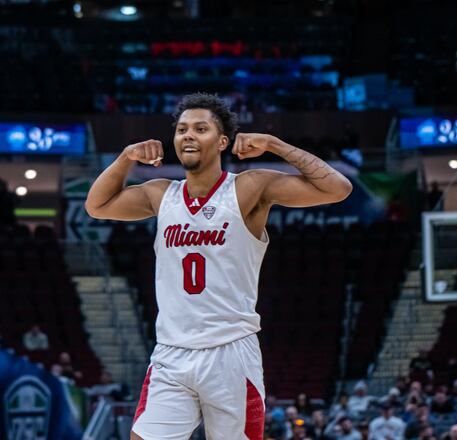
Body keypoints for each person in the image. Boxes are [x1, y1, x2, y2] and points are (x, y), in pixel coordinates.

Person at [85, 92, 352, 439]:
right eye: (182, 129)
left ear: (223, 141)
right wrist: (126, 158)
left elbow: (338, 188)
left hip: (231, 353)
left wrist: (274, 145)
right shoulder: (160, 193)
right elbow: (97, 205)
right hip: (171, 353)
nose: (188, 136)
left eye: (200, 129)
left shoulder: (248, 188)